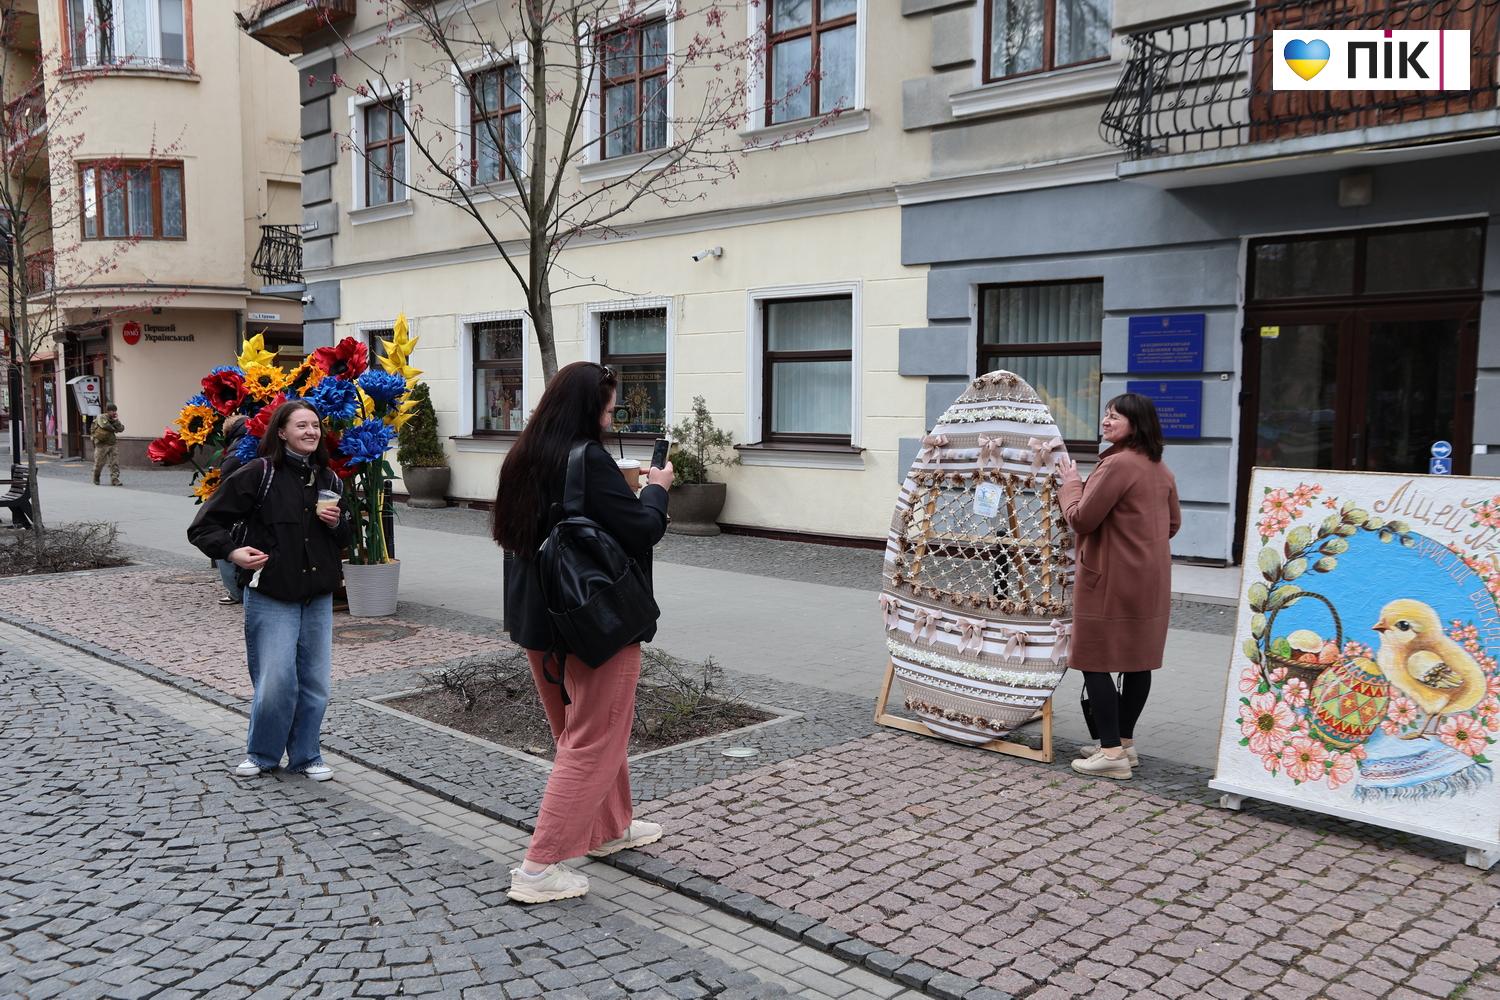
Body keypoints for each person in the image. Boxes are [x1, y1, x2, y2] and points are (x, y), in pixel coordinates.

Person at [493, 361, 673, 904]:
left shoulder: (524, 454)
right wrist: (657, 490)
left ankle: (610, 827)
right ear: (587, 408)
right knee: (593, 739)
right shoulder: (588, 459)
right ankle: (537, 869)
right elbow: (643, 529)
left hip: (538, 618)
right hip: (594, 619)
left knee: (583, 733)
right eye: (609, 408)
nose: (612, 416)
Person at [187, 400, 351, 782]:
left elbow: (345, 536)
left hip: (316, 595)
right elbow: (204, 526)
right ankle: (262, 754)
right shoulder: (258, 474)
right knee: (276, 680)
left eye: (315, 425)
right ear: (281, 432)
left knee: (315, 683)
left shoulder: (329, 480)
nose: (311, 431)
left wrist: (337, 522)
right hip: (272, 592)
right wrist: (233, 553)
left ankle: (306, 755)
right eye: (301, 425)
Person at [1056, 393, 1180, 781]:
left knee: (1093, 660)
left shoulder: (1117, 464)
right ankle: (1124, 743)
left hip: (1109, 578)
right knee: (1137, 660)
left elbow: (1082, 519)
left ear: (1135, 424)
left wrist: (1071, 484)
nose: (1106, 421)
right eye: (1106, 414)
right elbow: (1173, 524)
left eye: (1115, 416)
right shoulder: (1159, 467)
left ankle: (1110, 753)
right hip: (1151, 578)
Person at [214, 414, 250, 606]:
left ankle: (236, 592)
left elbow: (227, 483)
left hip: (239, 507)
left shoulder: (236, 449)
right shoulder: (258, 439)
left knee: (224, 544)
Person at [91, 403, 124, 486]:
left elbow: (121, 429)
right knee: (99, 463)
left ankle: (115, 479)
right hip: (101, 444)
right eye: (112, 411)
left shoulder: (114, 419)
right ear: (108, 411)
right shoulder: (101, 417)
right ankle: (96, 477)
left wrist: (116, 420)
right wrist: (114, 428)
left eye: (115, 411)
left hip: (112, 443)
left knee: (114, 463)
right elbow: (105, 425)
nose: (114, 412)